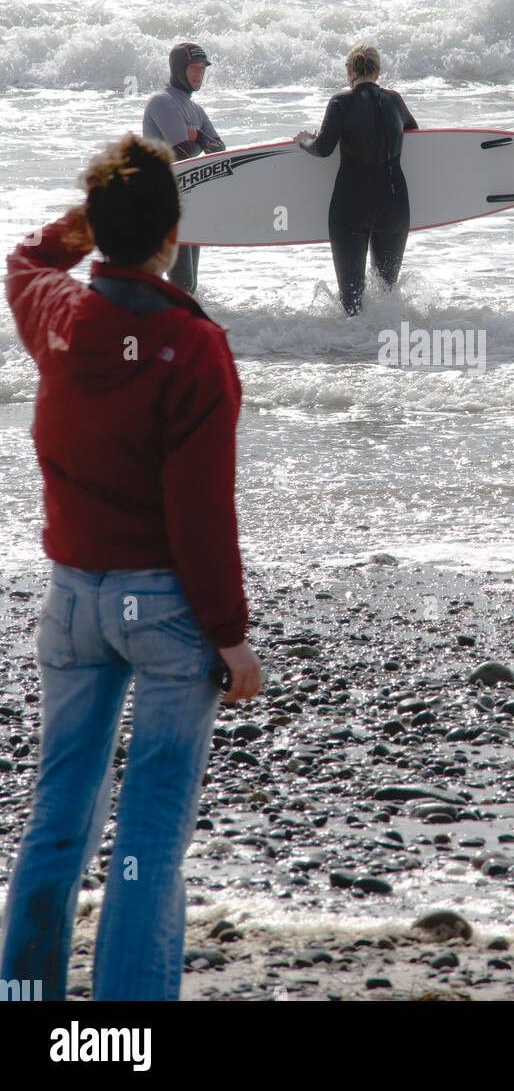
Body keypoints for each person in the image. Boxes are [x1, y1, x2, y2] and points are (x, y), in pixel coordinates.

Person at [1, 134, 261, 1002]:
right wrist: (231, 638)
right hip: (164, 609)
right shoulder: (194, 348)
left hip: (72, 597)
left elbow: (27, 258)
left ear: (102, 224)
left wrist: (87, 225)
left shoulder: (58, 314)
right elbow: (199, 515)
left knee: (55, 816)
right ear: (175, 234)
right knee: (149, 829)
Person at [296, 43, 418, 316]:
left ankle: (353, 353)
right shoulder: (395, 101)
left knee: (351, 305)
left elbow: (323, 148)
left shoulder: (341, 102)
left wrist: (305, 141)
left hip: (351, 208)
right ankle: (386, 349)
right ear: (378, 71)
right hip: (394, 205)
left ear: (349, 70)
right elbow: (412, 130)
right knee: (388, 298)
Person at [142, 42, 225, 295]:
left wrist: (196, 135)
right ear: (178, 69)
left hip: (189, 200)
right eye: (193, 68)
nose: (199, 74)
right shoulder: (162, 102)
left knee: (189, 287)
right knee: (182, 285)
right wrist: (200, 140)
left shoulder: (195, 110)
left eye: (202, 69)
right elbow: (179, 155)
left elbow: (219, 150)